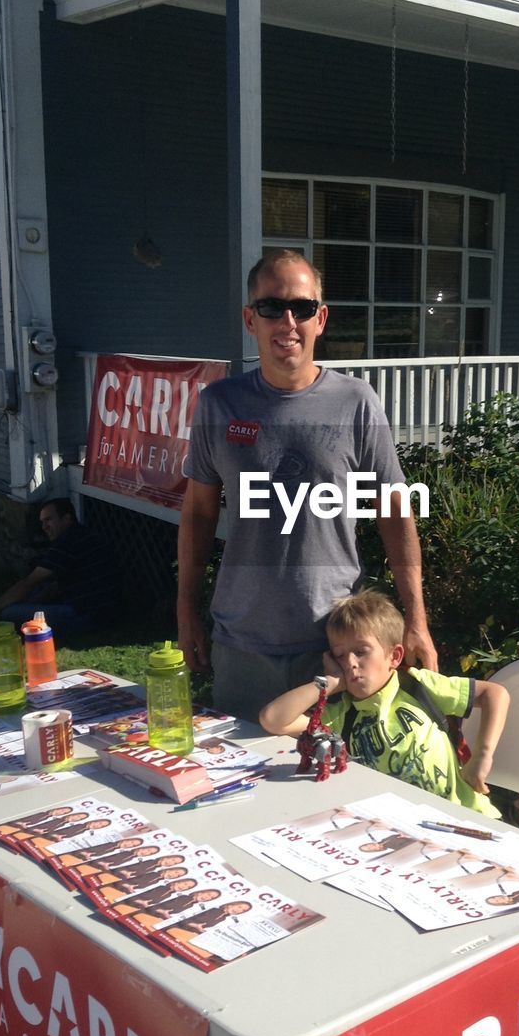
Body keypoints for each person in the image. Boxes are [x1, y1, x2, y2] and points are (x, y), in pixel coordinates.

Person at [177, 248, 436, 721]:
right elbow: (197, 513)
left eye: (301, 307)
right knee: (240, 780)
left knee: (332, 780)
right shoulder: (220, 404)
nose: (287, 321)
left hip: (336, 646)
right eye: (272, 307)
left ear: (321, 318)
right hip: (242, 644)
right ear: (249, 318)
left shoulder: (355, 402)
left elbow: (395, 511)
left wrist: (415, 619)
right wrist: (186, 611)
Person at [259, 590, 509, 817]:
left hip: (464, 814)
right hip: (398, 823)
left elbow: (495, 694)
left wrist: (482, 757)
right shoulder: (341, 713)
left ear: (395, 656)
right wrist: (332, 682)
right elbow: (273, 719)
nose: (350, 663)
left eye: (361, 651)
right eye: (339, 655)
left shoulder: (417, 685)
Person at [0, 498, 119, 638]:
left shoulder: (67, 543)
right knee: (35, 592)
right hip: (106, 611)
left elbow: (29, 582)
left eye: (49, 520)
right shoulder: (85, 535)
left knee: (8, 612)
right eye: (42, 522)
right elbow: (53, 586)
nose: (44, 527)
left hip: (84, 616)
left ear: (67, 519)